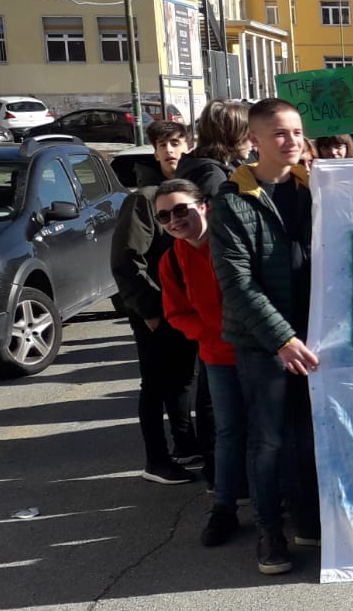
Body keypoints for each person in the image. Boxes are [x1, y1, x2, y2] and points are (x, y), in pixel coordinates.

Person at [207, 98, 319, 575]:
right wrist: (280, 338)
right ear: (254, 140)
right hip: (263, 343)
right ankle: (270, 531)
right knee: (269, 439)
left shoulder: (317, 187)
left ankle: (309, 517)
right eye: (279, 133)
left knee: (311, 433)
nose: (291, 141)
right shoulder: (232, 201)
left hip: (315, 335)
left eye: (296, 132)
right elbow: (237, 283)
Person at [155, 179, 247, 547]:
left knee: (271, 430)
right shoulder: (171, 260)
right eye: (164, 216)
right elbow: (176, 313)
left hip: (262, 351)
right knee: (227, 433)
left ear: (203, 205)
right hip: (217, 357)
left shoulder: (234, 241)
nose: (174, 220)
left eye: (181, 209)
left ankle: (280, 503)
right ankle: (224, 508)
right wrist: (211, 334)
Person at [111, 120, 201, 485]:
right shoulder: (144, 199)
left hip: (182, 309)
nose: (170, 150)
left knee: (180, 381)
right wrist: (150, 310)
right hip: (156, 311)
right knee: (155, 384)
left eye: (176, 143)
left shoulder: (189, 191)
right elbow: (126, 259)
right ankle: (156, 461)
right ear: (154, 151)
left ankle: (184, 443)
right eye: (162, 144)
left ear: (188, 146)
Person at [178, 100, 252, 198]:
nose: (254, 140)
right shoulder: (213, 176)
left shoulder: (196, 163)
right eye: (249, 134)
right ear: (232, 135)